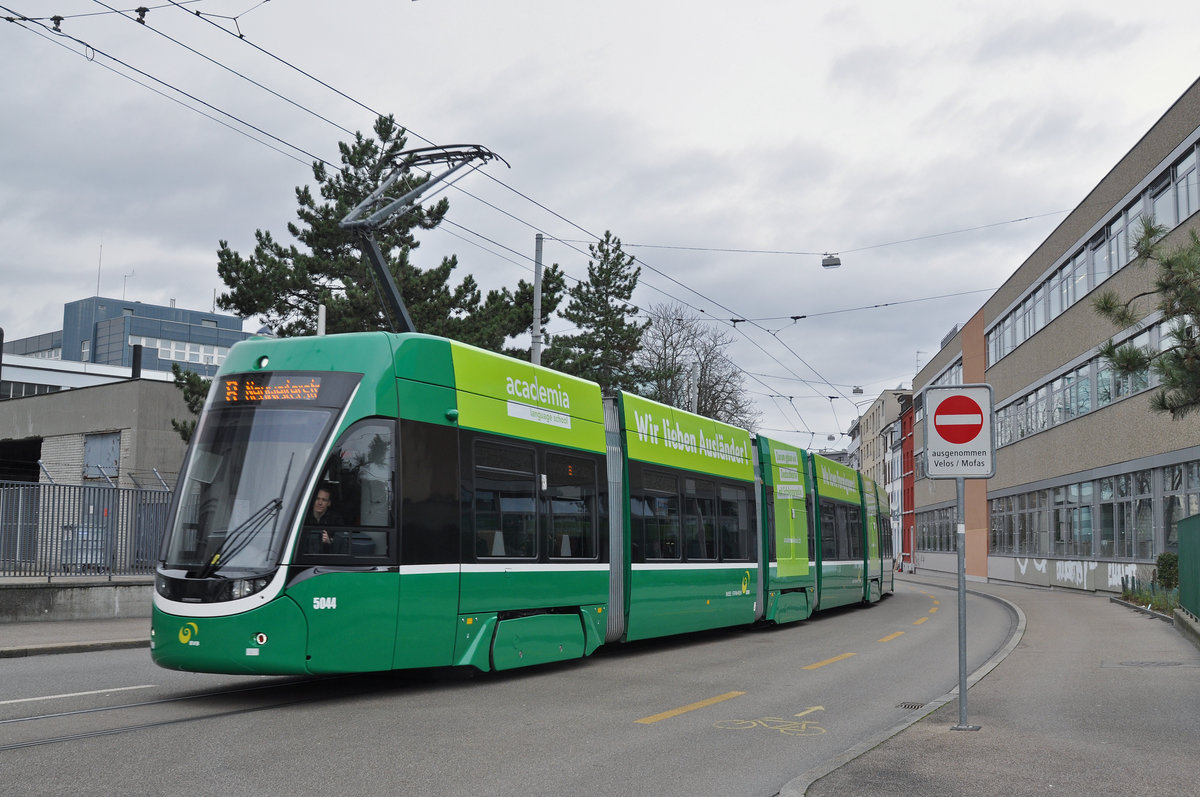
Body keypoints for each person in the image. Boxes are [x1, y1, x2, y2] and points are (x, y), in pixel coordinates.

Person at [303, 486, 346, 554]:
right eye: (317, 499)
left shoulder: (336, 519)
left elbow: (342, 543)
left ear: (329, 503)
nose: (320, 503)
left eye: (324, 500)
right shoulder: (303, 517)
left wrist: (329, 541)